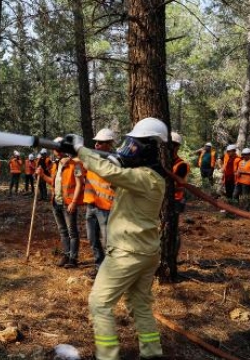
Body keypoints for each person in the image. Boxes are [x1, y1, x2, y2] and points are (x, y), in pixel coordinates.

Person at [60, 117, 169, 360]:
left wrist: (79, 148)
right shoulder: (148, 175)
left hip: (128, 253)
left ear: (146, 148)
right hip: (146, 252)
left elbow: (109, 171)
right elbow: (109, 163)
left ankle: (107, 356)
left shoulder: (145, 178)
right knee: (139, 304)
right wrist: (75, 150)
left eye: (134, 144)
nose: (128, 149)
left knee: (99, 304)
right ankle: (152, 353)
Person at [36, 137, 84, 268]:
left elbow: (80, 184)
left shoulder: (75, 163)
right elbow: (53, 182)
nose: (56, 150)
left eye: (59, 147)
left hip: (68, 203)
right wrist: (41, 175)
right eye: (55, 148)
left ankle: (73, 259)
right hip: (56, 203)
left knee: (72, 232)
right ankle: (66, 254)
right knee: (63, 231)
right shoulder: (55, 165)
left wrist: (74, 202)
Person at [83, 128, 116, 279]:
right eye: (96, 142)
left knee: (107, 242)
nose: (96, 145)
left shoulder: (115, 162)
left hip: (106, 208)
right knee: (92, 239)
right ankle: (99, 266)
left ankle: (111, 272)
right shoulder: (92, 159)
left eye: (100, 143)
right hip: (91, 205)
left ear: (109, 144)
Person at [171, 132, 190, 261]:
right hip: (161, 200)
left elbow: (178, 184)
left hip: (175, 200)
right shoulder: (164, 162)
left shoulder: (181, 165)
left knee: (172, 229)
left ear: (177, 147)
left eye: (173, 145)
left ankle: (172, 257)